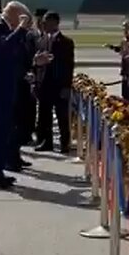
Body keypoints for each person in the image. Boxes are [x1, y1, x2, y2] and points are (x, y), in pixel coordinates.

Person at [0, 1, 50, 188]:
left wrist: (33, 63)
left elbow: (10, 61)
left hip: (2, 88)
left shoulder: (4, 30)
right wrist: (21, 30)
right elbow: (4, 49)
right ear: (16, 16)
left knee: (3, 132)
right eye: (23, 19)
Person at [34, 11, 75, 153]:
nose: (43, 24)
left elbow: (69, 66)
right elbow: (37, 63)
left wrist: (66, 86)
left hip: (59, 85)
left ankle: (65, 143)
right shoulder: (41, 41)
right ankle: (47, 142)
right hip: (44, 85)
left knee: (62, 115)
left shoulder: (66, 42)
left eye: (47, 22)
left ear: (55, 23)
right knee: (45, 116)